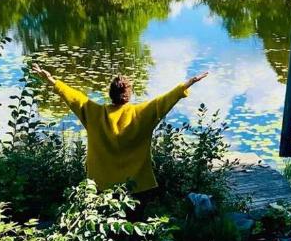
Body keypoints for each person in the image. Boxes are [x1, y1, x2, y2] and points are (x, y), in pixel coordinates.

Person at [30, 64, 208, 210]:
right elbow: (165, 100)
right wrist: (187, 84)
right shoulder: (142, 114)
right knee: (135, 228)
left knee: (106, 228)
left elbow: (74, 98)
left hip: (101, 184)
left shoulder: (94, 114)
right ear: (129, 95)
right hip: (136, 185)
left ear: (110, 94)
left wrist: (51, 80)